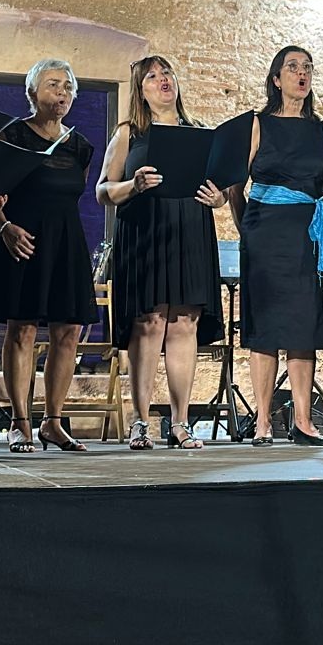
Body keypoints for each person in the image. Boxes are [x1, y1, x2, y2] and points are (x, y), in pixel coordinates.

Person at [96, 54, 226, 449]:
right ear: (140, 91)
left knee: (185, 323)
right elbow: (103, 191)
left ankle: (180, 423)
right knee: (150, 323)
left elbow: (219, 189)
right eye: (152, 76)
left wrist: (218, 199)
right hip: (145, 228)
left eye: (166, 72)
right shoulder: (129, 133)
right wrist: (133, 185)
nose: (162, 79)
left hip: (189, 227)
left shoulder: (199, 133)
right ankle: (140, 422)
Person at [0, 58, 97, 453]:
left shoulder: (81, 146)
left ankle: (52, 421)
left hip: (65, 242)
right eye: (53, 85)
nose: (62, 93)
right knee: (23, 329)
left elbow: (72, 196)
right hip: (21, 238)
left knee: (68, 331)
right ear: (32, 92)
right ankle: (20, 422)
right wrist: (4, 228)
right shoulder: (13, 134)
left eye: (67, 86)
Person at [230, 46, 323, 446]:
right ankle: (262, 421)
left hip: (306, 234)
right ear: (276, 79)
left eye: (307, 67)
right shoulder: (257, 124)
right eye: (292, 67)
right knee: (264, 329)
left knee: (302, 326)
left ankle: (303, 421)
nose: (301, 73)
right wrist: (248, 229)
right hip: (264, 232)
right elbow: (235, 185)